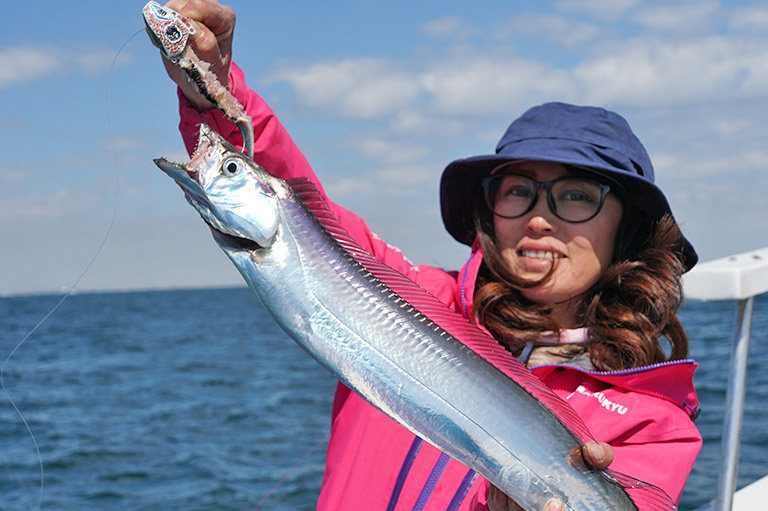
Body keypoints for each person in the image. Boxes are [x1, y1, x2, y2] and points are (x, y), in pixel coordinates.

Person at [156, 2, 702, 510]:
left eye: (577, 195)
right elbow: (294, 205)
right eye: (516, 191)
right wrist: (216, 90)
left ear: (627, 230)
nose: (540, 216)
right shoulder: (404, 296)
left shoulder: (654, 421)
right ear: (488, 211)